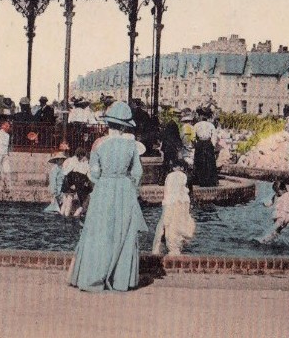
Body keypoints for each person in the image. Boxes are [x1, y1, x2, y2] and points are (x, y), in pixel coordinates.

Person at [69, 101, 148, 292]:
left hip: (103, 188)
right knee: (122, 231)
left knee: (99, 231)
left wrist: (104, 179)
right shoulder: (131, 146)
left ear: (109, 123)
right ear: (124, 125)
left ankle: (93, 275)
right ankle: (120, 279)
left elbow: (94, 174)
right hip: (124, 188)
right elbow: (137, 173)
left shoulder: (98, 144)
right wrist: (127, 183)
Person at [151, 160, 196, 255]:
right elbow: (190, 192)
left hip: (169, 203)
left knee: (167, 223)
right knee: (180, 223)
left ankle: (159, 247)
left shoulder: (169, 176)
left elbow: (166, 191)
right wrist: (191, 204)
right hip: (182, 203)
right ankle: (177, 246)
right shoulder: (186, 176)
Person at [192, 109, 219, 188]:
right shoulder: (211, 125)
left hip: (200, 143)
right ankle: (210, 181)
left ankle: (199, 180)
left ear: (201, 116)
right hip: (208, 143)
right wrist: (212, 146)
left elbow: (193, 137)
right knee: (209, 162)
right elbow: (214, 137)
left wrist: (195, 144)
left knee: (199, 162)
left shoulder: (196, 125)